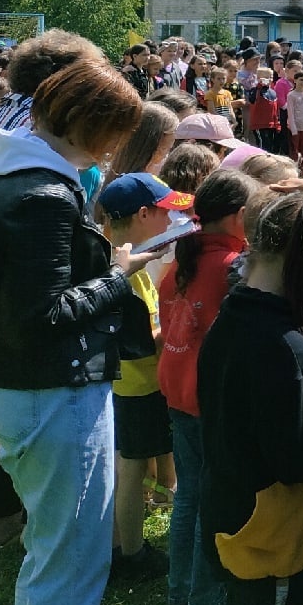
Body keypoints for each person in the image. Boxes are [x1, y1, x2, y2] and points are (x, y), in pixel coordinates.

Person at [0, 58, 151, 605]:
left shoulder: (7, 169)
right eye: (115, 133)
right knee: (70, 562)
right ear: (86, 123)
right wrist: (118, 277)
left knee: (51, 553)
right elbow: (42, 314)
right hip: (51, 392)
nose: (116, 148)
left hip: (19, 384)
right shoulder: (42, 193)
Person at [198, 188, 303, 605]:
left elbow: (245, 409)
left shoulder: (230, 319)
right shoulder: (286, 345)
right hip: (272, 537)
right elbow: (299, 461)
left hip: (230, 512)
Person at [158, 168, 258, 605]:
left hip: (178, 393)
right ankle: (204, 600)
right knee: (209, 504)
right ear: (240, 216)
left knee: (189, 498)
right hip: (211, 401)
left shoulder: (183, 259)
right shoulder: (233, 268)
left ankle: (179, 592)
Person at [97, 173, 197, 579]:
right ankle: (131, 554)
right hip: (137, 387)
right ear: (143, 215)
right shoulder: (127, 272)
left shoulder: (124, 259)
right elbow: (140, 339)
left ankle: (119, 542)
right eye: (166, 213)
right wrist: (181, 330)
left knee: (128, 466)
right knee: (130, 469)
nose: (172, 222)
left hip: (132, 384)